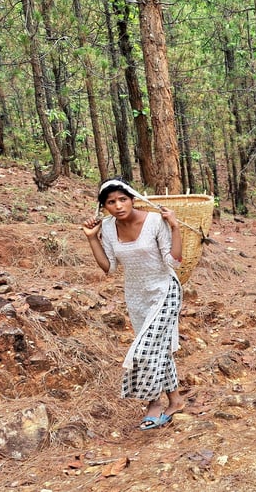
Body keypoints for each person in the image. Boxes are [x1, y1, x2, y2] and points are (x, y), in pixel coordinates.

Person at [82, 177, 186, 431]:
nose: (117, 206)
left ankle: (153, 404)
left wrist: (174, 227)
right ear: (104, 207)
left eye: (122, 199)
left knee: (144, 349)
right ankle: (175, 401)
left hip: (165, 291)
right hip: (136, 297)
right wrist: (92, 238)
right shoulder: (107, 228)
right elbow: (109, 267)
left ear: (132, 199)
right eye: (110, 202)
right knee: (159, 349)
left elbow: (174, 260)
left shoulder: (153, 221)